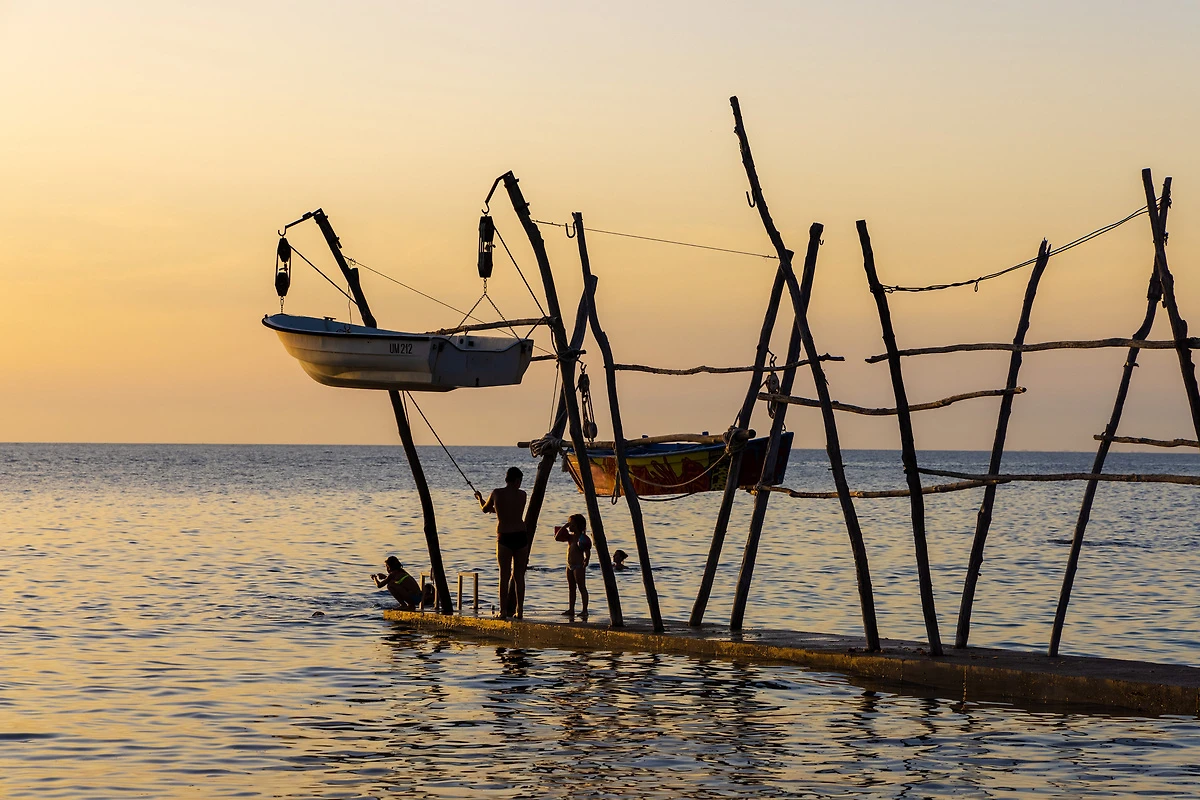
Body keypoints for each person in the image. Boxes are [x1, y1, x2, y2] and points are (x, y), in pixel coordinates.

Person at [475, 466, 529, 619]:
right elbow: (509, 510)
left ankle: (503, 611)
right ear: (517, 480)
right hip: (521, 535)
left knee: (504, 575)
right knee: (519, 576)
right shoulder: (523, 495)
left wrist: (479, 499)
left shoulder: (496, 493)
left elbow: (486, 509)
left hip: (504, 536)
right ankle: (520, 610)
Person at [555, 513, 591, 619]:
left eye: (571, 524)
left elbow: (587, 551)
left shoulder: (582, 538)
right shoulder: (570, 537)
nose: (570, 526)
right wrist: (565, 526)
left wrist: (587, 559)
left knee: (581, 587)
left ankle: (584, 610)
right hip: (569, 565)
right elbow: (557, 538)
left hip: (578, 565)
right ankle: (571, 609)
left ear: (577, 526)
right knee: (571, 588)